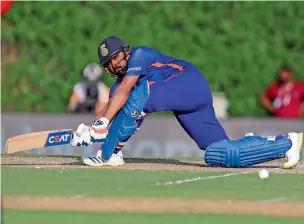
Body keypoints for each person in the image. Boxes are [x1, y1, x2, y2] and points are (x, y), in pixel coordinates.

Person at [70, 36, 303, 169]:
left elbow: (126, 95)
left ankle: (109, 153)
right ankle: (284, 144)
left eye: (116, 57)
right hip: (188, 100)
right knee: (219, 154)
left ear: (125, 52)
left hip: (187, 81)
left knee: (136, 94)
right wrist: (91, 127)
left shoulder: (140, 55)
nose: (113, 65)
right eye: (108, 64)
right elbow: (113, 105)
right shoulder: (119, 86)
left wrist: (102, 124)